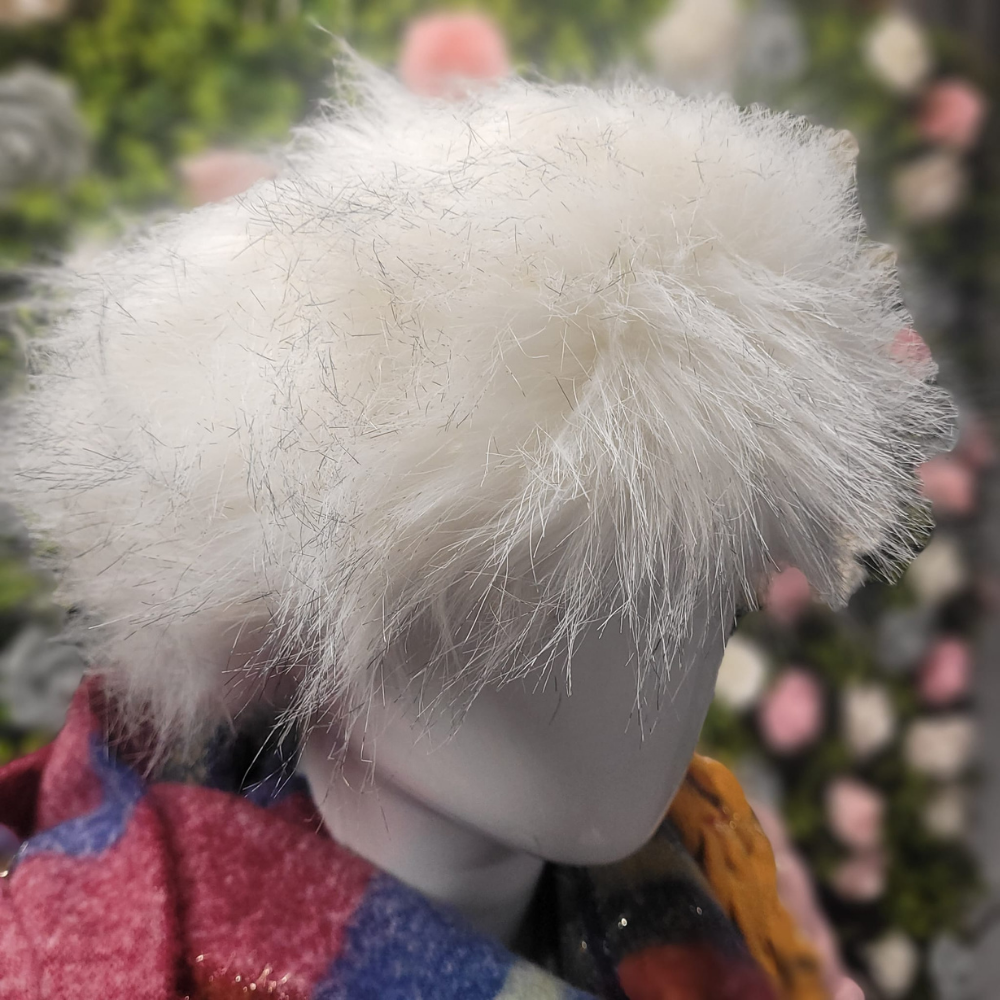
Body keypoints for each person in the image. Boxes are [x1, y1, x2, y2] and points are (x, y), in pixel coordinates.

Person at [0, 59, 949, 999]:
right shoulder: (74, 956)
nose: (652, 643)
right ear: (287, 583)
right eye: (533, 557)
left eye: (701, 551)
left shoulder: (717, 874)